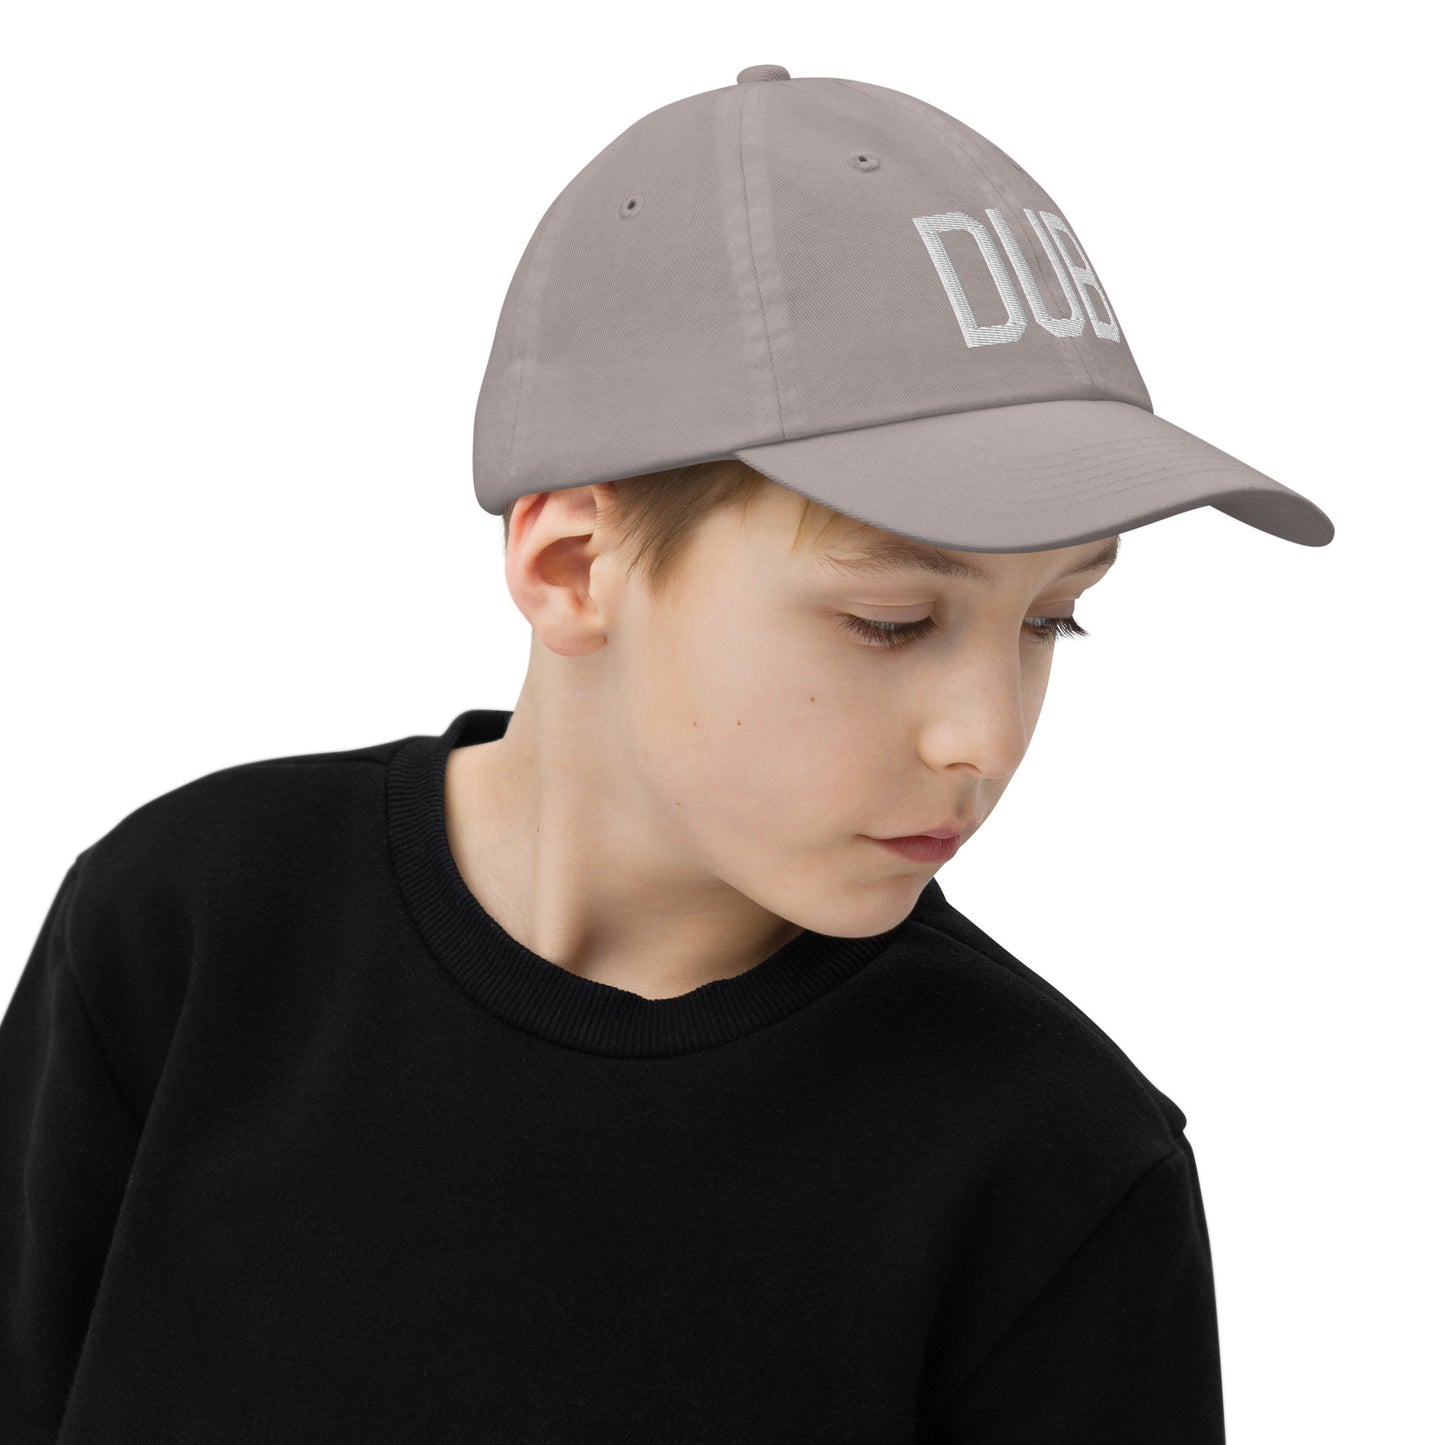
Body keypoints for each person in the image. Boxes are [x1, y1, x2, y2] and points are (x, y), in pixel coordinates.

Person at [1, 64, 1333, 1443]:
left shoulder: (1053, 1170)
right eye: (890, 620)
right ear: (574, 566)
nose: (984, 736)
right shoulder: (189, 931)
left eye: (1053, 617)